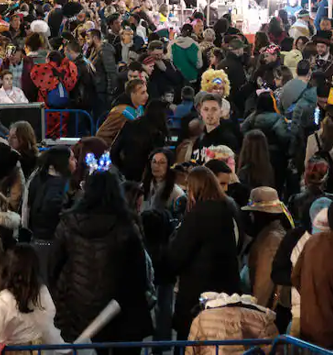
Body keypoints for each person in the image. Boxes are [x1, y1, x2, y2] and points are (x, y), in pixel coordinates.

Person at [51, 168, 153, 345]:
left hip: (75, 307)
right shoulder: (127, 226)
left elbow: (53, 266)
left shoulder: (67, 223)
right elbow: (138, 275)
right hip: (118, 312)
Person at [166, 165, 243, 337]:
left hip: (198, 299)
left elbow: (177, 256)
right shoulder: (226, 211)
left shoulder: (197, 215)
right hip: (224, 298)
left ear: (196, 188)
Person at [292, 198, 333, 349]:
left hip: (307, 334)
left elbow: (295, 277)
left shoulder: (312, 241)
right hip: (332, 342)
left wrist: (314, 301)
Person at [112, 99, 170, 182]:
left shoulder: (129, 125)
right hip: (147, 179)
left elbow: (114, 151)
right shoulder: (158, 135)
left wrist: (122, 169)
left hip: (127, 175)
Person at [24, 146, 73, 240]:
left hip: (35, 236)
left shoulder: (38, 178)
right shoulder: (58, 184)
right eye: (72, 159)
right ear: (62, 162)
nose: (75, 162)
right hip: (50, 239)